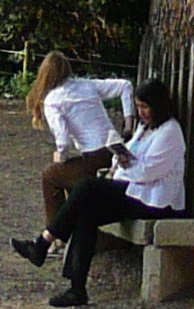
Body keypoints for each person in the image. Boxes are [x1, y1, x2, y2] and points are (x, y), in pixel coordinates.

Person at [19, 78, 187, 304]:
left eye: (145, 107)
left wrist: (126, 165)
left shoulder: (170, 132)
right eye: (138, 107)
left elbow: (147, 172)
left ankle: (43, 242)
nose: (141, 113)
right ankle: (76, 287)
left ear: (159, 106)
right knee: (87, 210)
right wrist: (121, 158)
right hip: (135, 190)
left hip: (155, 200)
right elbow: (132, 162)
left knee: (87, 187)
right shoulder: (144, 129)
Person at [25, 50, 135, 230]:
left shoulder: (52, 100)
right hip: (114, 150)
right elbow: (125, 86)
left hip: (94, 156)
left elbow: (63, 139)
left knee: (50, 176)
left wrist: (61, 156)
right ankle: (71, 228)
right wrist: (128, 124)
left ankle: (56, 233)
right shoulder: (87, 85)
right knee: (70, 174)